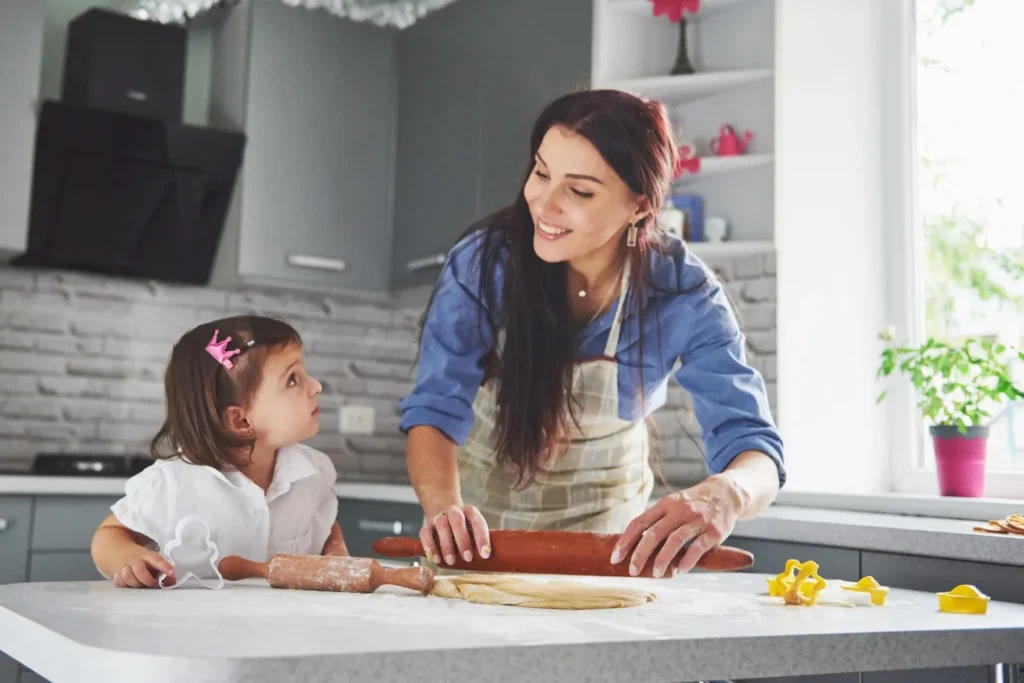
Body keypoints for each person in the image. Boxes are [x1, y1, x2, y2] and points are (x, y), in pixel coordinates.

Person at [399, 89, 785, 580]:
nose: (544, 204)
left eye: (579, 192)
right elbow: (435, 407)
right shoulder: (484, 263)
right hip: (481, 545)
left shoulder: (683, 291)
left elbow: (753, 446)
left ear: (639, 207)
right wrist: (441, 508)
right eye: (541, 173)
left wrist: (726, 494)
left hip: (611, 548)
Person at [90, 315, 347, 588]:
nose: (316, 386)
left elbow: (322, 521)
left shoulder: (314, 471)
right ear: (241, 421)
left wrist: (335, 548)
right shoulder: (172, 484)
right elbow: (110, 534)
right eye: (293, 380)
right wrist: (129, 558)